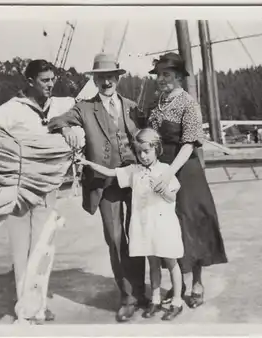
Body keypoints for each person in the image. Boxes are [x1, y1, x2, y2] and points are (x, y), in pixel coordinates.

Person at [48, 53, 147, 322]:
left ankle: (141, 290)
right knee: (115, 240)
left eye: (111, 77)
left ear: (117, 78)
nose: (107, 82)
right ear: (95, 80)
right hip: (105, 184)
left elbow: (148, 136)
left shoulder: (131, 106)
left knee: (137, 235)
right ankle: (126, 296)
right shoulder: (84, 108)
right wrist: (66, 128)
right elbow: (54, 121)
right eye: (101, 77)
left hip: (135, 179)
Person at [0, 59, 75, 323]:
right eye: (44, 81)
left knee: (43, 249)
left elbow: (82, 110)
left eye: (52, 80)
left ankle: (38, 305)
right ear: (30, 82)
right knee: (21, 250)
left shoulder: (61, 104)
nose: (51, 85)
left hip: (47, 188)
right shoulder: (9, 111)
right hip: (18, 190)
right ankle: (25, 308)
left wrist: (68, 127)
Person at [76, 128, 185, 321]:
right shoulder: (134, 171)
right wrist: (87, 163)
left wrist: (162, 190)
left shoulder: (166, 171)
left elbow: (172, 198)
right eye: (139, 152)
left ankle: (177, 300)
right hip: (145, 226)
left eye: (147, 151)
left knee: (171, 261)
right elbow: (110, 171)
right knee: (152, 263)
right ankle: (156, 299)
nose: (143, 156)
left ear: (156, 149)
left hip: (164, 226)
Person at [146, 53, 228, 309]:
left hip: (184, 171)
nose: (161, 79)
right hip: (162, 170)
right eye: (159, 74)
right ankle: (177, 284)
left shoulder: (188, 103)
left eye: (167, 74)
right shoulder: (157, 102)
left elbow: (189, 143)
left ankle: (197, 283)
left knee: (191, 224)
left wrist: (169, 173)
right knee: (168, 227)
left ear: (179, 77)